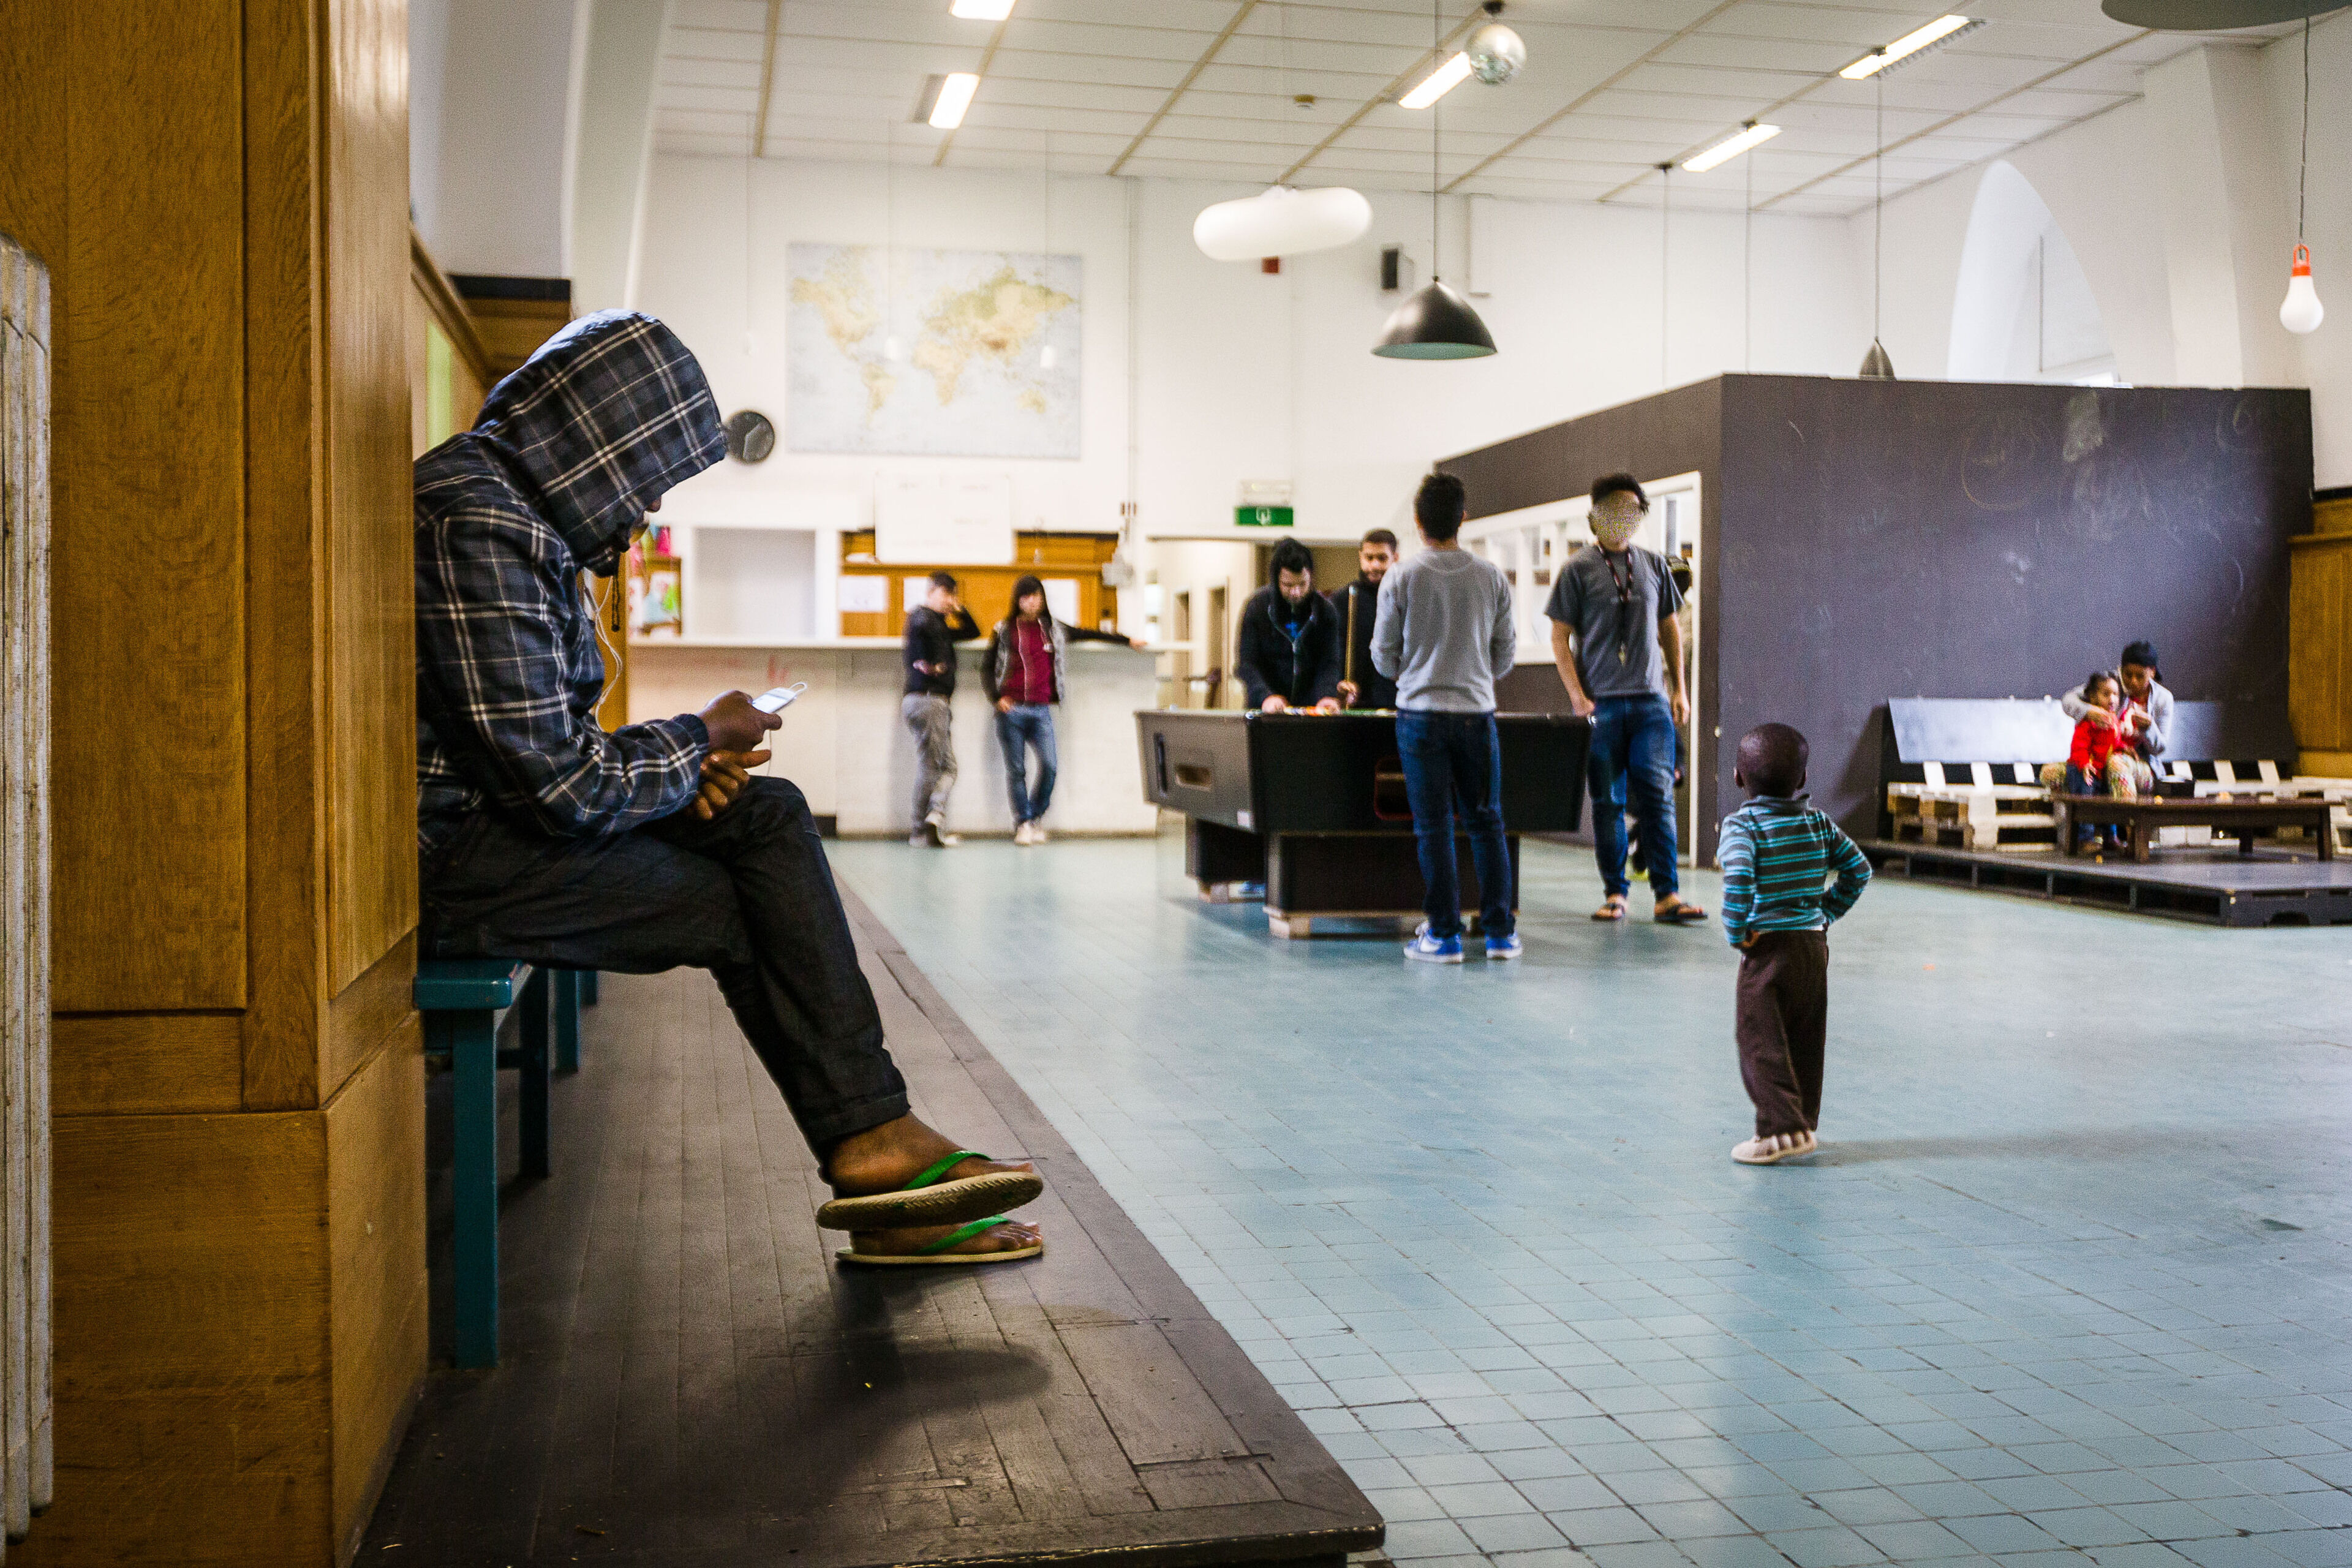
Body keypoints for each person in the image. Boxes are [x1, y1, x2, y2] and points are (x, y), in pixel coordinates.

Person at [414, 311, 1040, 1265]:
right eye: (645, 477)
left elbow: (541, 751)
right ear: (600, 445)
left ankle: (874, 1138)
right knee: (738, 906)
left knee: (769, 814)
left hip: (494, 825)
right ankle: (869, 1148)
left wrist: (687, 768)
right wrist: (699, 737)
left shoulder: (510, 510)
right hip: (458, 861)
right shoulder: (481, 522)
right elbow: (562, 788)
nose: (644, 508)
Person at [1373, 473, 1520, 963]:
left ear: (1417, 523)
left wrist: (1414, 672)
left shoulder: (1401, 577)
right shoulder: (1492, 577)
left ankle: (1444, 935)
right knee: (1487, 823)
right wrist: (1473, 674)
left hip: (1420, 715)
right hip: (1477, 714)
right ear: (1463, 518)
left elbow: (1383, 655)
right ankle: (1500, 935)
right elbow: (1505, 654)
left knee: (1433, 826)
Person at [1547, 474, 1706, 925]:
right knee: (1609, 802)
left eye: (1632, 509)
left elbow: (1669, 628)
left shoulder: (1653, 564)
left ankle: (1667, 895)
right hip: (1602, 705)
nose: (1622, 517)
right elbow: (1559, 637)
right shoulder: (1577, 569)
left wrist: (1680, 689)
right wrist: (1577, 697)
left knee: (1658, 796)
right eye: (1614, 508)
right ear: (1595, 514)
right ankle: (1616, 893)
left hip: (1651, 704)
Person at [1717, 723, 1871, 1167]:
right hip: (1812, 946)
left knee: (1760, 1039)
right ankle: (1803, 1124)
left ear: (1738, 778)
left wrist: (1737, 932)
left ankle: (1778, 1131)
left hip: (1767, 948)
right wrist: (1826, 912)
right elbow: (1859, 870)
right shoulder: (1818, 823)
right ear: (1803, 778)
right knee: (1805, 1035)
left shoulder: (1742, 826)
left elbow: (1739, 879)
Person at [982, 574, 1145, 845]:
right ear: (1017, 600)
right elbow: (988, 667)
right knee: (1017, 770)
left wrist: (1127, 640)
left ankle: (1034, 817)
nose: (1032, 602)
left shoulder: (1053, 629)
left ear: (1043, 599)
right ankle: (1023, 824)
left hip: (1041, 711)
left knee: (1050, 766)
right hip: (1012, 712)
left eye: (1036, 596)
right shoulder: (1004, 630)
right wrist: (996, 697)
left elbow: (1089, 632)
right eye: (1026, 597)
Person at [902, 571, 980, 848]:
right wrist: (934, 666)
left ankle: (933, 820)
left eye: (953, 595)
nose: (950, 600)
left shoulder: (940, 626)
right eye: (946, 594)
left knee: (947, 767)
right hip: (928, 700)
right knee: (932, 766)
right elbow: (924, 628)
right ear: (931, 592)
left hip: (935, 702)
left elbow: (973, 632)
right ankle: (919, 831)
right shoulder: (922, 618)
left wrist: (960, 610)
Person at [1235, 537, 1344, 714]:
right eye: (1288, 585)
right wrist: (1266, 697)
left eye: (1302, 584)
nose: (1296, 592)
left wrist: (1326, 695)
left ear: (1311, 577)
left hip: (1311, 711)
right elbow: (1247, 664)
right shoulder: (1257, 608)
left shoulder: (1326, 611)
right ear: (1276, 581)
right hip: (1265, 710)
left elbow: (1330, 662)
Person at [2062, 669, 2154, 853]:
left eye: (2115, 694)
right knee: (2086, 800)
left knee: (2108, 801)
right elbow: (2079, 746)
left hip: (2101, 770)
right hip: (2083, 770)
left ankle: (2110, 838)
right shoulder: (2088, 721)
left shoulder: (2113, 720)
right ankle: (2085, 839)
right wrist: (2084, 764)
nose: (2112, 699)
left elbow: (2114, 742)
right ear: (2093, 698)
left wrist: (2124, 748)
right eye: (2106, 694)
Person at [2059, 639, 2172, 774]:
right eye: (2128, 675)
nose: (2133, 681)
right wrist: (2089, 711)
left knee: (2116, 765)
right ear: (2121, 670)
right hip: (2099, 758)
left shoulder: (2163, 699)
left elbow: (2160, 749)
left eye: (2140, 676)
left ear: (2152, 672)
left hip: (2139, 761)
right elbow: (2068, 700)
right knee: (2050, 774)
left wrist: (2148, 728)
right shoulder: (2110, 684)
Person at [1330, 529, 1401, 710]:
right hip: (1354, 702)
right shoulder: (1342, 600)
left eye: (1382, 558)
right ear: (1360, 557)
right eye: (1369, 558)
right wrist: (1338, 683)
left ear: (1395, 558)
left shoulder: (1405, 599)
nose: (1375, 565)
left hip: (1396, 702)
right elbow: (1331, 652)